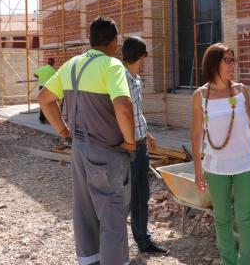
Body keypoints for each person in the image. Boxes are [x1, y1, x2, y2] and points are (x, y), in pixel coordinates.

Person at [38, 16, 136, 265]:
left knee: (84, 211)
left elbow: (44, 99)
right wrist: (130, 142)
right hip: (107, 151)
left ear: (91, 40)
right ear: (114, 41)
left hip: (79, 149)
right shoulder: (111, 66)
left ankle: (89, 260)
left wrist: (64, 132)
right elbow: (123, 106)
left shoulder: (71, 64)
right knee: (112, 217)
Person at [191, 43, 250, 265]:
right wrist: (197, 170)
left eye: (233, 60)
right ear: (213, 63)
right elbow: (196, 135)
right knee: (222, 219)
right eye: (228, 60)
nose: (232, 65)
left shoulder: (242, 91)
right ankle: (228, 261)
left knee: (245, 218)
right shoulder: (200, 96)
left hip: (246, 165)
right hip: (215, 168)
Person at [122, 36, 169, 255]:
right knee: (125, 198)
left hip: (140, 146)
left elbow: (135, 113)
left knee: (141, 196)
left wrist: (146, 134)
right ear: (142, 56)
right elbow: (120, 115)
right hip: (128, 149)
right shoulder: (120, 79)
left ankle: (143, 241)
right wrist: (130, 143)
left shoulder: (135, 79)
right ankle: (116, 244)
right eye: (144, 59)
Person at [34, 57, 56, 124]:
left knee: (43, 103)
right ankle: (47, 119)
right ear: (53, 63)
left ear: (48, 62)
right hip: (48, 88)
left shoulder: (42, 68)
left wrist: (40, 77)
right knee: (48, 104)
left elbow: (35, 74)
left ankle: (42, 119)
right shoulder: (53, 70)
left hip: (41, 87)